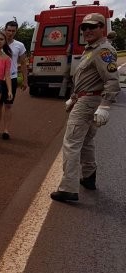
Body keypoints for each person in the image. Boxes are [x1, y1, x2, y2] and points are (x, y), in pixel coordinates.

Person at [50, 13, 120, 202]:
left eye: (92, 26)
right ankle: (88, 177)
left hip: (89, 102)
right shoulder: (90, 49)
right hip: (85, 99)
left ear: (101, 28)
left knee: (71, 143)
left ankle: (68, 188)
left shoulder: (103, 50)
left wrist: (105, 106)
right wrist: (73, 97)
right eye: (84, 28)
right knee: (87, 141)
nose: (87, 30)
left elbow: (112, 80)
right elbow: (85, 79)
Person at [0, 20, 28, 140]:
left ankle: (6, 130)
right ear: (5, 30)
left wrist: (25, 80)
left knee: (8, 105)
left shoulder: (19, 45)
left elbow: (23, 63)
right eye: (9, 30)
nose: (10, 33)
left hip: (11, 78)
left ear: (16, 31)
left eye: (13, 31)